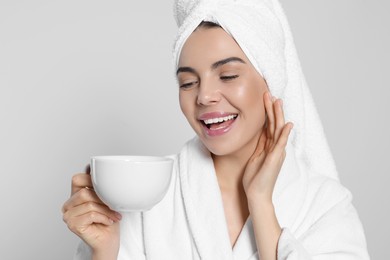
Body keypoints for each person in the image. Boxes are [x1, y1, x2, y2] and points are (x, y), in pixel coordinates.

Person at [62, 0, 370, 259]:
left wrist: (261, 205)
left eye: (228, 75)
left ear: (272, 83)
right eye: (188, 82)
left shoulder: (325, 207)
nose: (204, 96)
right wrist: (104, 250)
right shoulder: (148, 200)